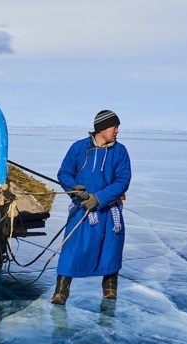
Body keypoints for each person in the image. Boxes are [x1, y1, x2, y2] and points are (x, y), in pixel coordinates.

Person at [52, 109, 132, 304]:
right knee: (71, 248)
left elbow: (123, 181)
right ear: (102, 128)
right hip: (82, 209)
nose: (117, 131)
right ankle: (61, 291)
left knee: (110, 248)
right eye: (115, 127)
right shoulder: (79, 148)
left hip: (109, 209)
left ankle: (110, 289)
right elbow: (64, 173)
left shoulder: (119, 151)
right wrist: (74, 189)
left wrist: (99, 197)